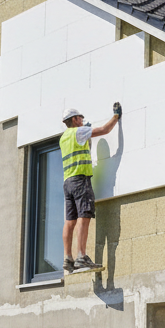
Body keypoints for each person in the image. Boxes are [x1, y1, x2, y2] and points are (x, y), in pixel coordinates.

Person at [60, 103, 122, 274]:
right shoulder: (78, 131)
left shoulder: (64, 137)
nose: (82, 120)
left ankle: (68, 258)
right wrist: (116, 116)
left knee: (70, 221)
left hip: (68, 182)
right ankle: (81, 256)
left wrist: (85, 135)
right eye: (80, 118)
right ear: (74, 119)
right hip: (81, 180)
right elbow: (104, 130)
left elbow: (82, 147)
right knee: (84, 216)